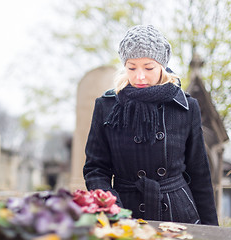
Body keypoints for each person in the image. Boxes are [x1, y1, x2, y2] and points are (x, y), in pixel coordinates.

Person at [83, 25, 218, 225]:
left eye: (148, 67)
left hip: (178, 217)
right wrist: (113, 210)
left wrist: (212, 231)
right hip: (124, 215)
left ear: (162, 65)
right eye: (131, 67)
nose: (139, 76)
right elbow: (96, 170)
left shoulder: (186, 107)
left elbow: (199, 175)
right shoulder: (107, 106)